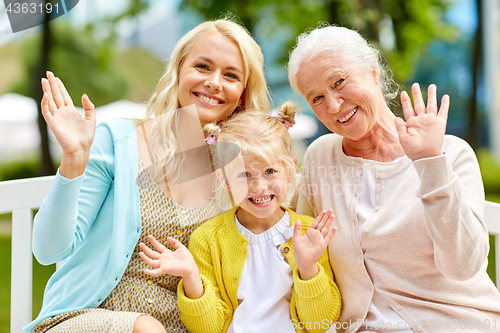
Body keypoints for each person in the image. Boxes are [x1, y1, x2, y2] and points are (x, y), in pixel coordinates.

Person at [26, 18, 271, 333]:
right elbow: (49, 250)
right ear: (179, 71)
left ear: (243, 92)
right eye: (203, 67)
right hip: (86, 316)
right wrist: (74, 159)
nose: (214, 82)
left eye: (231, 75)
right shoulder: (118, 141)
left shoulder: (241, 171)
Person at [287, 25, 500, 333]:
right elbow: (307, 254)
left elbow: (464, 266)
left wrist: (430, 163)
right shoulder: (321, 157)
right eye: (317, 97)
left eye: (340, 82)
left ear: (373, 71)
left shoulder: (450, 152)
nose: (333, 106)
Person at [138, 103, 342, 333]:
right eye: (244, 174)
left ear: (289, 170)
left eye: (270, 171)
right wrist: (191, 276)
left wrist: (308, 267)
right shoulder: (207, 239)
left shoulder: (308, 233)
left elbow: (321, 322)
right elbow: (209, 328)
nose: (259, 186)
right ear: (224, 180)